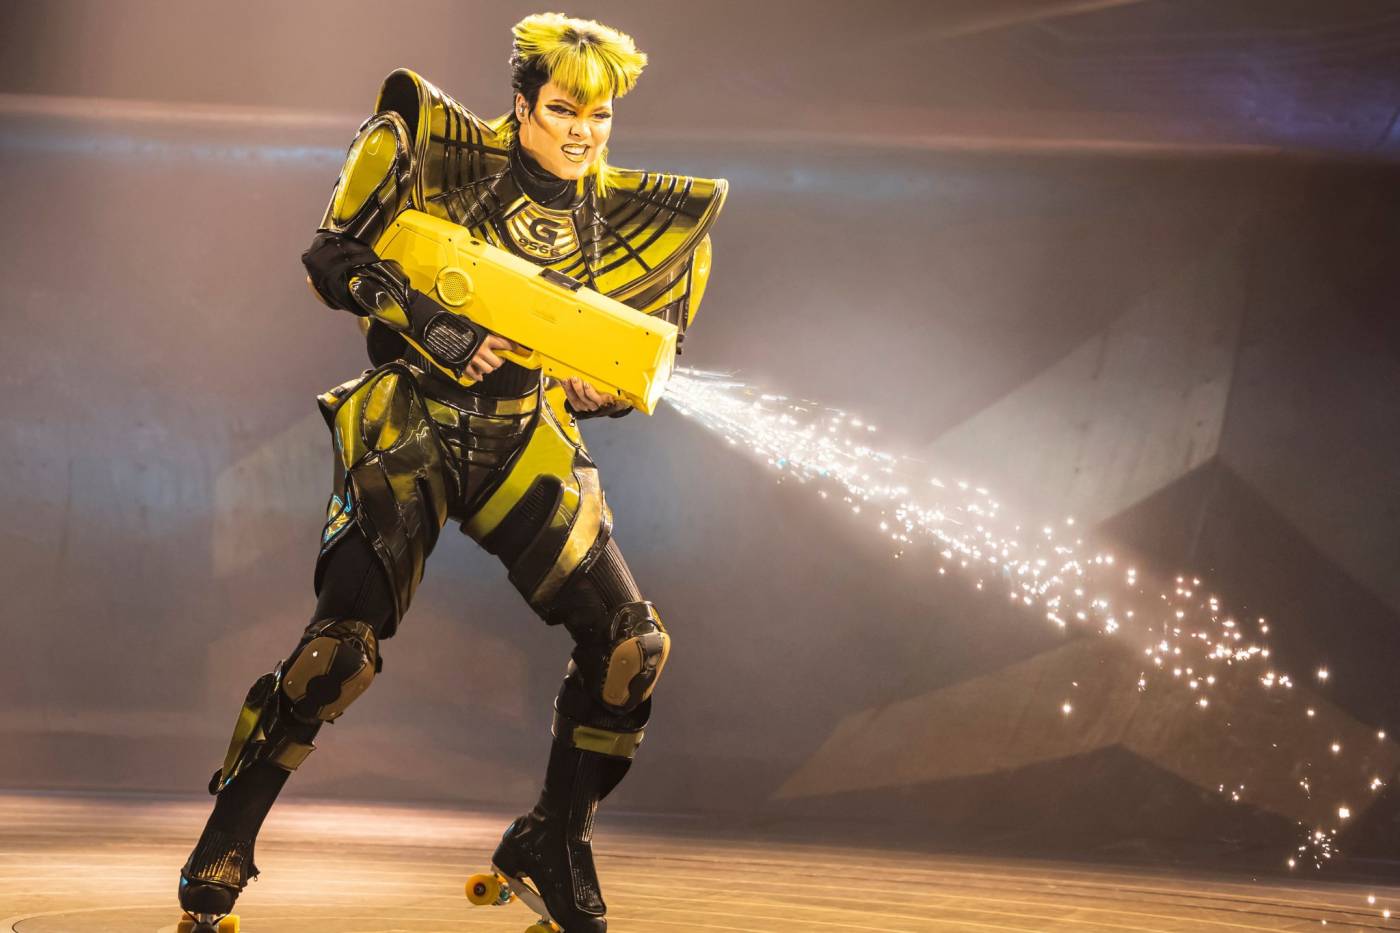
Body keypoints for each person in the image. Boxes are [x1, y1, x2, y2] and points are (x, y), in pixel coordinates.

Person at [176, 12, 726, 932]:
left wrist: (600, 393)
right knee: (339, 652)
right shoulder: (433, 152)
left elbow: (637, 359)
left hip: (521, 437)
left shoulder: (630, 219)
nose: (583, 133)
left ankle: (554, 838)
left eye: (598, 115)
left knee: (632, 646)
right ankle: (226, 838)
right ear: (523, 104)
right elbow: (330, 255)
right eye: (563, 110)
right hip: (415, 420)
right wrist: (434, 324)